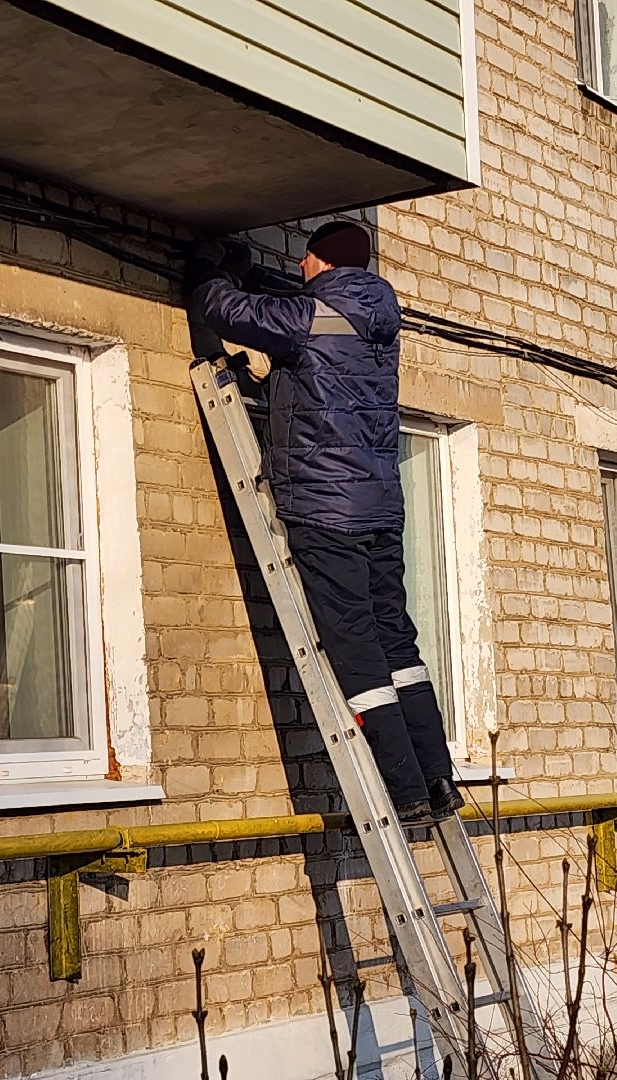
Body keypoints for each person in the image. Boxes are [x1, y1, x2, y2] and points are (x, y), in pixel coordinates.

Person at [186, 221, 464, 824]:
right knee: (396, 641)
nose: (302, 266)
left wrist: (208, 261)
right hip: (380, 511)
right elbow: (293, 300)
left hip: (324, 510)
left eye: (307, 259)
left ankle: (406, 791)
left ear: (319, 261)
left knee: (354, 643)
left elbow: (224, 309)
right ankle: (438, 778)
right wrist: (255, 270)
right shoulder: (374, 322)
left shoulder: (308, 319)